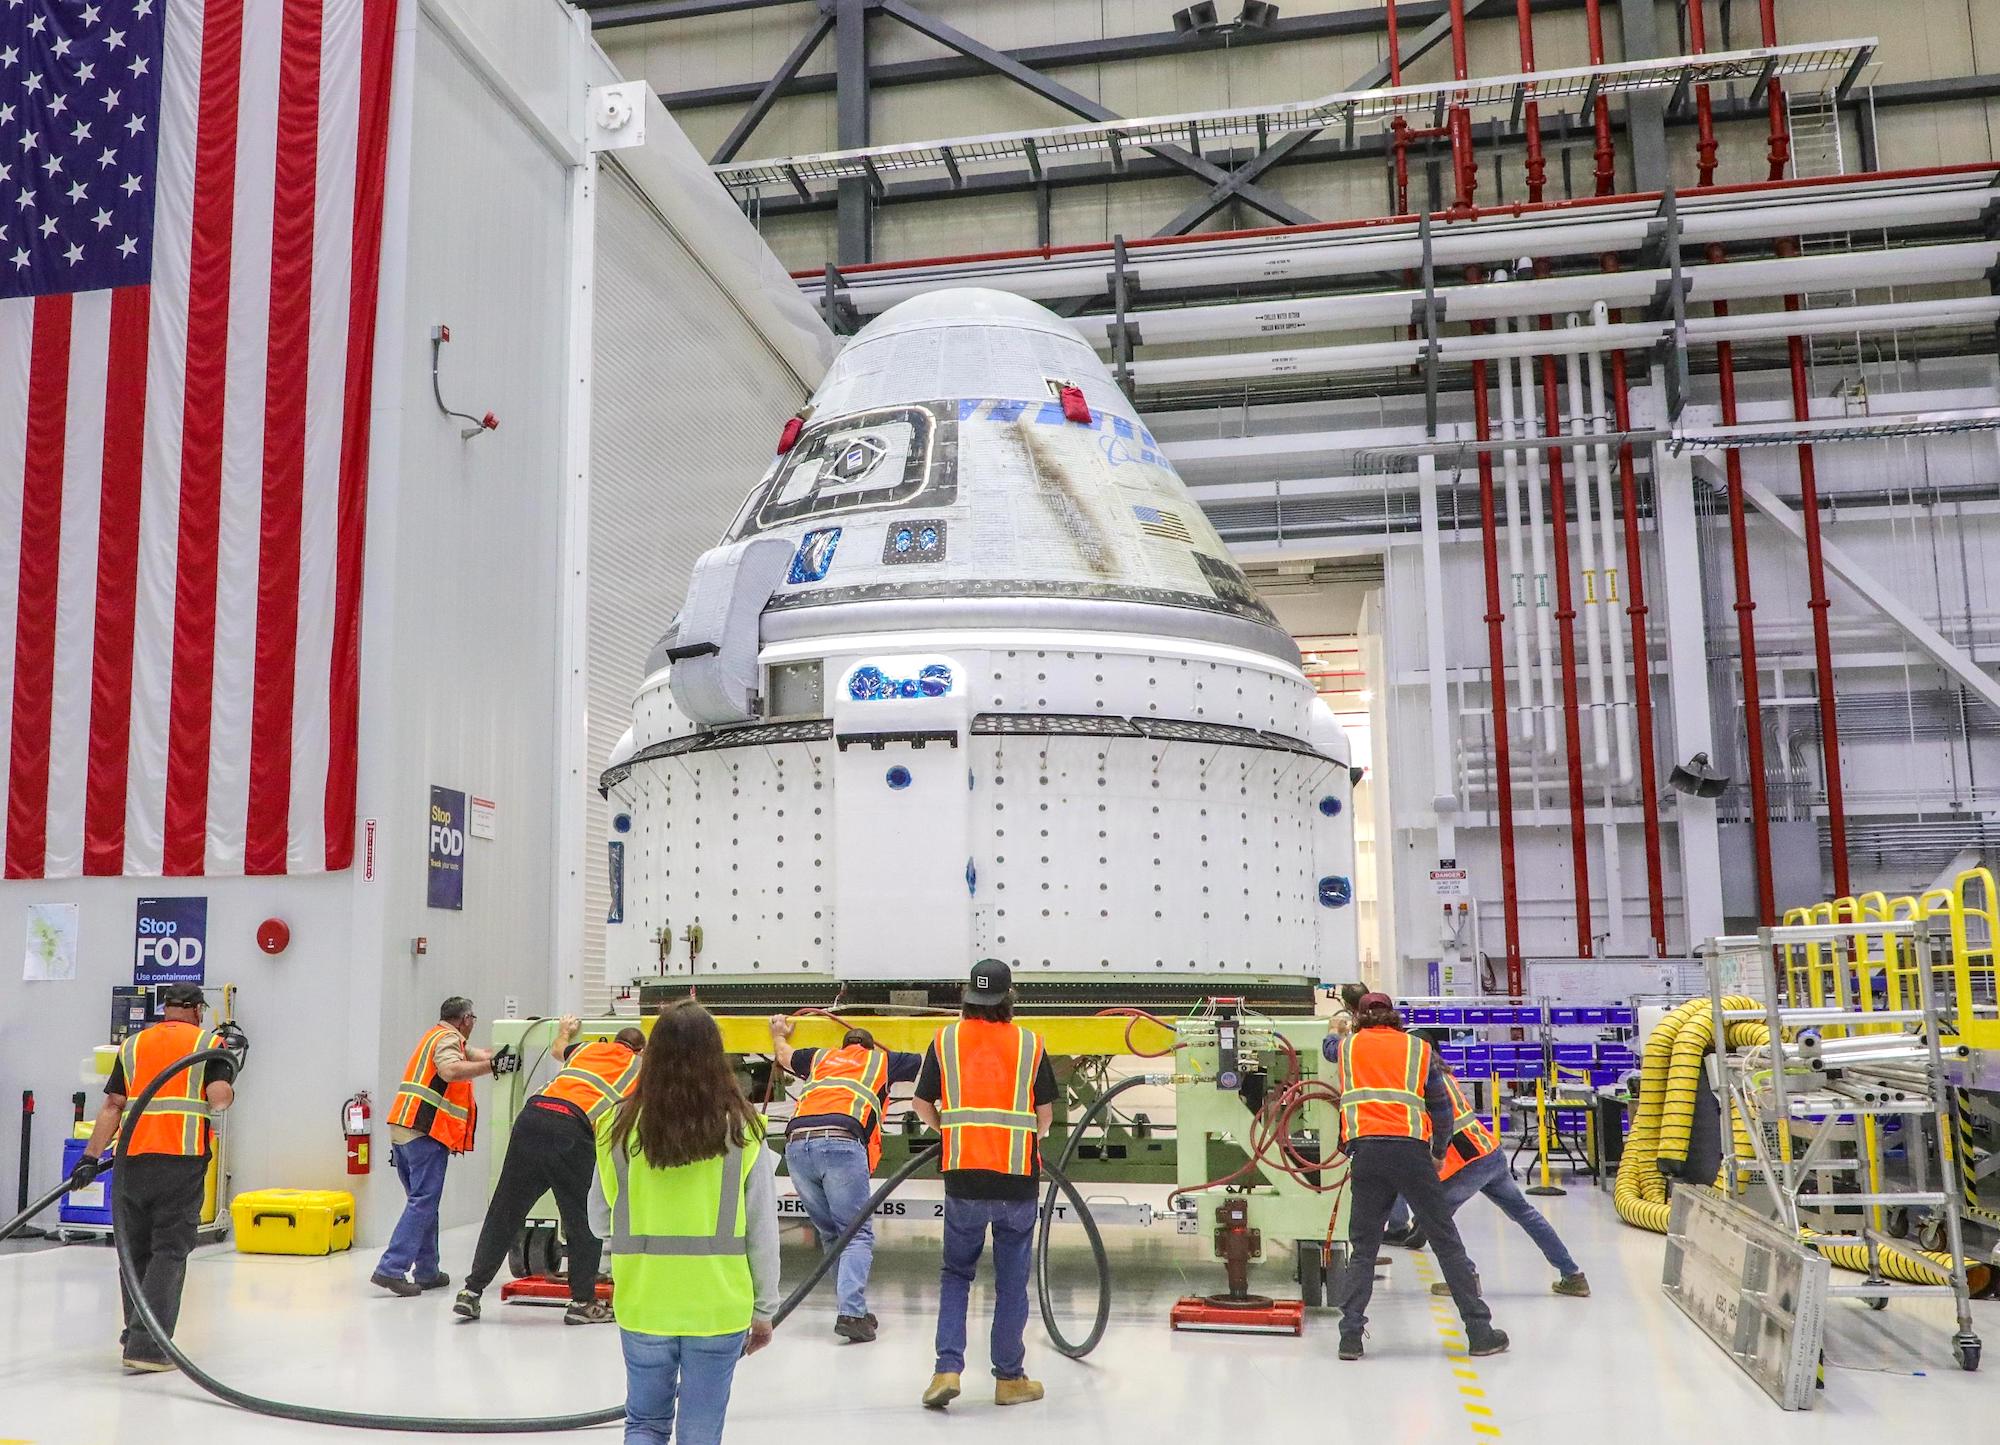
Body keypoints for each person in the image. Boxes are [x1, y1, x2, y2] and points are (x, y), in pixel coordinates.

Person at [592, 1001, 779, 1445]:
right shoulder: (744, 1132)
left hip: (644, 1302)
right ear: (716, 1057)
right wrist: (765, 1311)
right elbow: (762, 1233)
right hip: (718, 1307)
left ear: (651, 1056)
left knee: (644, 1424)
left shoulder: (615, 1127)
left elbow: (598, 1219)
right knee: (699, 1432)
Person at [1325, 992, 1507, 1362]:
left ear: (1361, 1018)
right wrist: (1439, 1153)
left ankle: (1350, 1337)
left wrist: (1334, 1026)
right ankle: (1479, 1330)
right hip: (1411, 1154)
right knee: (1445, 1242)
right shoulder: (1418, 1050)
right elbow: (1441, 1110)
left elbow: (1329, 1046)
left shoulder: (1347, 1047)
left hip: (1367, 1155)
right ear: (1394, 1017)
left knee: (1363, 1247)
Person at [909, 960, 1057, 1411]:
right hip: (1017, 1181)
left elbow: (920, 1103)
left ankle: (947, 1369)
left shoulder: (946, 1040)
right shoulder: (1030, 1044)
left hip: (963, 1178)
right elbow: (1045, 1119)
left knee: (956, 1274)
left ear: (967, 998)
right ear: (1009, 999)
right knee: (1011, 1282)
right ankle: (1009, 1379)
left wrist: (948, 1131)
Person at [73, 984, 239, 1373]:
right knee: (169, 1249)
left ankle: (134, 1334)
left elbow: (113, 1105)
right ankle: (148, 1347)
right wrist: (228, 1073)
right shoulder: (208, 1042)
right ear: (197, 1010)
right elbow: (218, 1098)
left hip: (131, 1161)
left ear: (165, 1010)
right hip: (179, 1161)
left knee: (134, 1251)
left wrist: (89, 1157)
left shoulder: (133, 1045)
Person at [454, 1017, 648, 1325]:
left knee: (504, 1211)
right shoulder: (640, 1069)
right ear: (640, 1051)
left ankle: (470, 1292)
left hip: (532, 1118)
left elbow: (558, 1050)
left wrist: (565, 1030)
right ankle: (583, 1303)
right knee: (582, 1220)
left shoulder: (585, 1050)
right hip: (573, 1130)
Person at [768, 1015, 924, 1343]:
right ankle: (851, 1313)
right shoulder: (883, 1060)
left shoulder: (821, 1058)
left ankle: (852, 1308)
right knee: (856, 1234)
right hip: (840, 1141)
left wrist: (778, 1033)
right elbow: (930, 1061)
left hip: (796, 1145)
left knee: (832, 1234)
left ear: (844, 1045)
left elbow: (783, 1055)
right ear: (869, 1046)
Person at [375, 997, 514, 1296]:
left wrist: (504, 1053)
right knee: (423, 1201)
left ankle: (427, 1270)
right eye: (473, 1018)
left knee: (424, 1202)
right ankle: (391, 1268)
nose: (474, 1023)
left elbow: (479, 1055)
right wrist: (493, 1066)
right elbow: (450, 1070)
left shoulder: (437, 1036)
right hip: (424, 1131)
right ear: (465, 1020)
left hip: (403, 1129)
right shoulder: (449, 1038)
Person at [1425, 1066, 1589, 1299]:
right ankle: (1573, 1275)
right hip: (1490, 1151)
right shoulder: (1445, 1074)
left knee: (1434, 1217)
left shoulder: (1425, 1081)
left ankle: (1466, 1278)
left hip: (1468, 1160)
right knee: (1525, 1213)